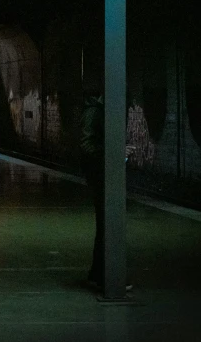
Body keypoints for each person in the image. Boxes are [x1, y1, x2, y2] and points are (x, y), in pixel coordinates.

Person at [79, 89, 134, 292]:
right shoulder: (94, 111)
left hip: (103, 173)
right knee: (107, 224)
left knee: (104, 224)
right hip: (99, 175)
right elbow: (87, 145)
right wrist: (114, 152)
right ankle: (108, 276)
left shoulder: (100, 110)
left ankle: (97, 273)